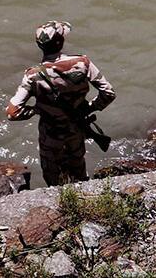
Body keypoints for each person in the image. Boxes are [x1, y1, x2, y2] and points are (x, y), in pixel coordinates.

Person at [7, 21, 116, 186]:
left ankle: (59, 202)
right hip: (76, 129)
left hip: (50, 135)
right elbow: (108, 93)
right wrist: (89, 107)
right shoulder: (83, 63)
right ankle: (80, 201)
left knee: (52, 178)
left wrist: (37, 110)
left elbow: (12, 112)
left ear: (40, 46)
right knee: (79, 172)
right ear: (61, 42)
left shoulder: (33, 75)